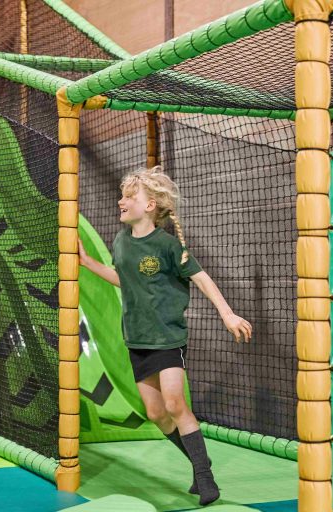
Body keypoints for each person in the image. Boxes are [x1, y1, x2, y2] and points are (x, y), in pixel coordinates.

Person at [78, 166, 252, 506]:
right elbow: (125, 280)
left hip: (167, 337)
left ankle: (205, 477)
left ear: (151, 205)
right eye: (123, 195)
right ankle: (198, 462)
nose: (121, 201)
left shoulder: (167, 245)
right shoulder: (121, 241)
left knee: (174, 403)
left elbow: (201, 278)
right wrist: (87, 263)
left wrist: (227, 313)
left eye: (130, 197)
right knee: (156, 414)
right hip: (137, 339)